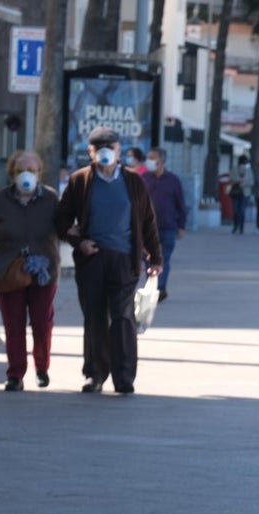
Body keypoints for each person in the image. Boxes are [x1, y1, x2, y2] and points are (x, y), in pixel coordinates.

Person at [56, 125, 162, 395]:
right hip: (92, 260)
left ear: (119, 151)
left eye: (111, 148)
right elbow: (61, 220)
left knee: (122, 317)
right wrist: (80, 242)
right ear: (91, 152)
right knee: (94, 318)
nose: (106, 153)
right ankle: (95, 374)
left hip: (125, 261)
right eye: (99, 149)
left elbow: (148, 221)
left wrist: (155, 257)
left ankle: (124, 377)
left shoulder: (133, 182)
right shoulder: (80, 181)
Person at [0, 150, 60, 391]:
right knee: (14, 323)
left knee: (42, 322)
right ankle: (15, 374)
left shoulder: (50, 199)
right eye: (21, 171)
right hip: (8, 268)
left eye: (32, 170)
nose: (26, 175)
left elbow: (64, 226)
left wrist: (81, 240)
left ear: (40, 173)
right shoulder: (1, 199)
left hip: (44, 269)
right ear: (12, 174)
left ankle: (42, 367)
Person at [143, 147, 188, 302]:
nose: (148, 160)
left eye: (152, 157)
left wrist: (181, 225)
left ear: (161, 161)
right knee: (147, 258)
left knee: (164, 258)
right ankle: (151, 284)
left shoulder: (173, 181)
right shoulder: (144, 179)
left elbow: (180, 204)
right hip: (146, 228)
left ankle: (160, 288)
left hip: (167, 226)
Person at [229, 155, 252, 234]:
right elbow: (230, 178)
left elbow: (252, 181)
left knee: (242, 210)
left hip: (245, 193)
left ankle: (241, 227)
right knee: (235, 210)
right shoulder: (234, 169)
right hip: (236, 192)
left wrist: (244, 183)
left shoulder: (249, 170)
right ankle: (235, 226)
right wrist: (238, 181)